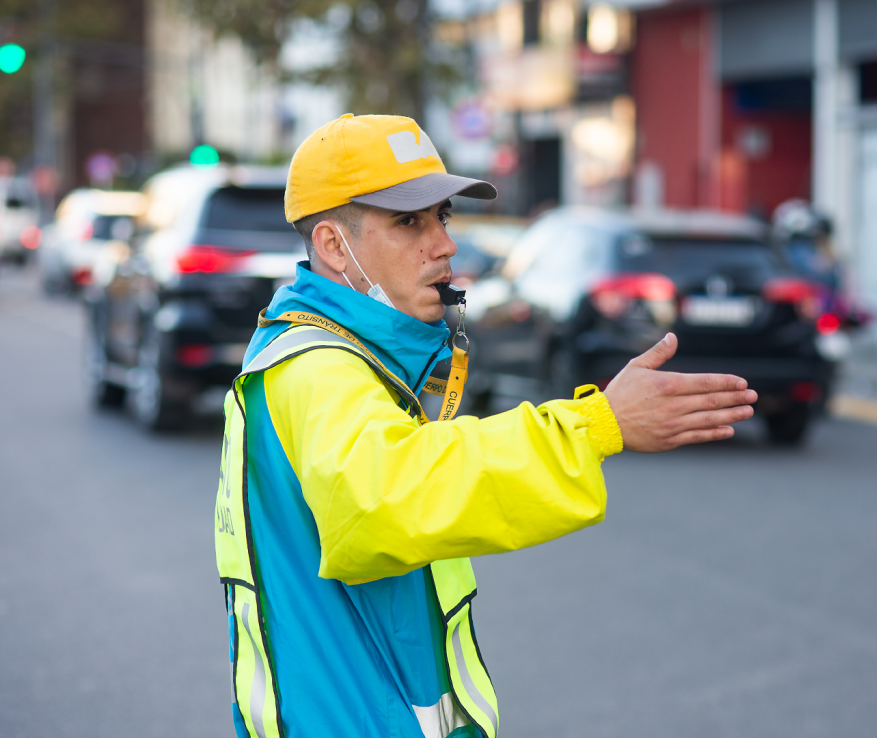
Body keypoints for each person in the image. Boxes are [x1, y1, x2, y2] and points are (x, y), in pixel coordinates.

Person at [214, 114, 758, 738]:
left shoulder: (341, 356)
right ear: (336, 246)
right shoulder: (318, 368)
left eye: (441, 217)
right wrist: (595, 424)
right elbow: (393, 493)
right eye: (408, 222)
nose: (443, 243)